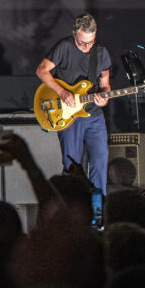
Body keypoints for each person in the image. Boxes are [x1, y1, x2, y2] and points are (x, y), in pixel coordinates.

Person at [35, 13, 112, 193]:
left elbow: (105, 84)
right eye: (82, 43)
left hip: (93, 115)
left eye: (91, 42)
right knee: (72, 165)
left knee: (100, 160)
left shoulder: (101, 53)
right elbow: (41, 71)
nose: (87, 47)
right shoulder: (64, 47)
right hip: (69, 115)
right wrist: (61, 92)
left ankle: (98, 206)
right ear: (74, 34)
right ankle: (73, 206)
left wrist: (105, 97)